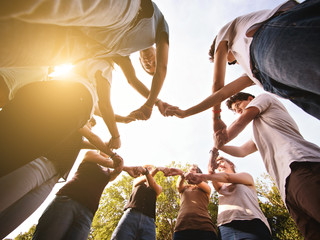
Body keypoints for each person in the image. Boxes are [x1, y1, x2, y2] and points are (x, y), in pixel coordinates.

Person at [0, 0, 170, 121]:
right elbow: (162, 68)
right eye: (151, 63)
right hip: (126, 12)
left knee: (29, 49)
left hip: (88, 43)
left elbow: (132, 80)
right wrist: (151, 103)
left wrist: (155, 102)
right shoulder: (160, 24)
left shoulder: (123, 52)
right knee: (54, 5)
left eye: (147, 67)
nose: (150, 63)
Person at [165, 0, 319, 123]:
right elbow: (223, 93)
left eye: (229, 62)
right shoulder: (252, 73)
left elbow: (218, 85)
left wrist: (216, 119)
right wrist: (186, 113)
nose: (235, 63)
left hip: (269, 38)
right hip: (274, 78)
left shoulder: (225, 34)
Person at [214, 92, 320, 240]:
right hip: (286, 188)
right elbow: (241, 151)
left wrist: (221, 133)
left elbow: (240, 123)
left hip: (301, 164)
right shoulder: (257, 131)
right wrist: (219, 147)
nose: (238, 111)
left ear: (250, 99)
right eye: (235, 110)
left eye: (238, 105)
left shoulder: (264, 99)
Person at [32, 150, 123, 240]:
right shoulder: (90, 154)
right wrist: (120, 164)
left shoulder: (107, 171)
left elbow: (115, 172)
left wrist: (121, 169)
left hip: (87, 213)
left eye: (111, 149)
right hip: (68, 201)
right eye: (107, 147)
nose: (109, 150)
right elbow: (108, 163)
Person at [186, 156, 272, 240]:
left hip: (251, 223)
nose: (219, 165)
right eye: (217, 165)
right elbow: (211, 173)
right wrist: (212, 156)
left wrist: (201, 176)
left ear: (231, 164)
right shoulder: (220, 187)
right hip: (226, 228)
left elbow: (227, 177)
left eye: (222, 162)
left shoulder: (246, 177)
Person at [111, 165, 162, 240]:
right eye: (147, 169)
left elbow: (153, 184)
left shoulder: (158, 187)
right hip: (131, 215)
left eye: (151, 169)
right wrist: (153, 171)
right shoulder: (137, 181)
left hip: (149, 221)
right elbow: (145, 177)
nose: (149, 171)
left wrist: (148, 172)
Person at [173, 164, 218, 240]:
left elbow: (204, 185)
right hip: (182, 227)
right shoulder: (184, 188)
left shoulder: (205, 187)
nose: (190, 171)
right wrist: (183, 175)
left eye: (193, 169)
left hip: (205, 228)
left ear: (199, 173)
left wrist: (193, 177)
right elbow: (178, 185)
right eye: (189, 170)